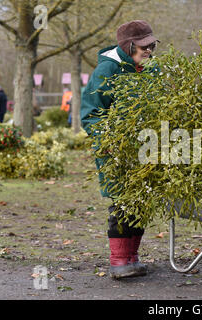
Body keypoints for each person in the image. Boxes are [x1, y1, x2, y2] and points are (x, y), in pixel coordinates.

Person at [81, 20, 160, 279]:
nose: (149, 51)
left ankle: (132, 258)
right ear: (129, 46)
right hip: (117, 151)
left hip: (146, 149)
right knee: (123, 203)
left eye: (152, 46)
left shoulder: (150, 69)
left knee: (141, 202)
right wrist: (112, 142)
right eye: (144, 47)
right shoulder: (107, 70)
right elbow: (91, 114)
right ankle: (118, 261)